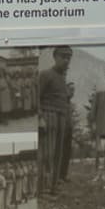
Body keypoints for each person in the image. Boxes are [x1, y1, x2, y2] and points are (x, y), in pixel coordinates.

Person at [38, 45, 72, 195]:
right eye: (63, 57)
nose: (66, 60)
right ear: (55, 57)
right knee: (48, 154)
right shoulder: (46, 75)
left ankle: (53, 186)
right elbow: (36, 98)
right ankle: (44, 188)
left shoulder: (63, 78)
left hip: (62, 118)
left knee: (58, 153)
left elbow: (63, 100)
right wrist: (40, 118)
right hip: (49, 116)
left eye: (69, 57)